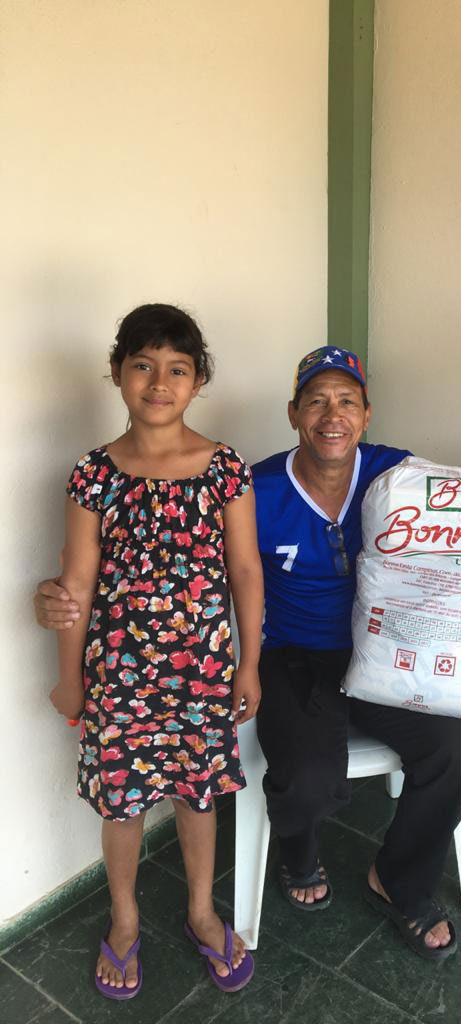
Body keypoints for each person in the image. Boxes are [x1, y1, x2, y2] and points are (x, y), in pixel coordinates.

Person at [37, 344, 461, 961]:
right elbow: (176, 561)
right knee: (306, 777)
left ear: (367, 415)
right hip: (293, 658)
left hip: (388, 653)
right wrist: (59, 597)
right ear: (294, 414)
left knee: (458, 756)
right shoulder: (255, 486)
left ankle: (399, 877)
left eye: (346, 401)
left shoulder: (399, 475)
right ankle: (298, 851)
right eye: (316, 401)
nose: (331, 415)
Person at [47, 304, 263, 998]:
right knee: (123, 804)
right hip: (118, 677)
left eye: (177, 369)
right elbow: (76, 582)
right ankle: (124, 919)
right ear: (117, 373)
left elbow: (246, 572)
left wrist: (249, 664)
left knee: (199, 800)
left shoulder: (223, 467)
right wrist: (69, 682)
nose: (159, 382)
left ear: (199, 381)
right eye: (143, 365)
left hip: (203, 673)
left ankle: (201, 912)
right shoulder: (93, 474)